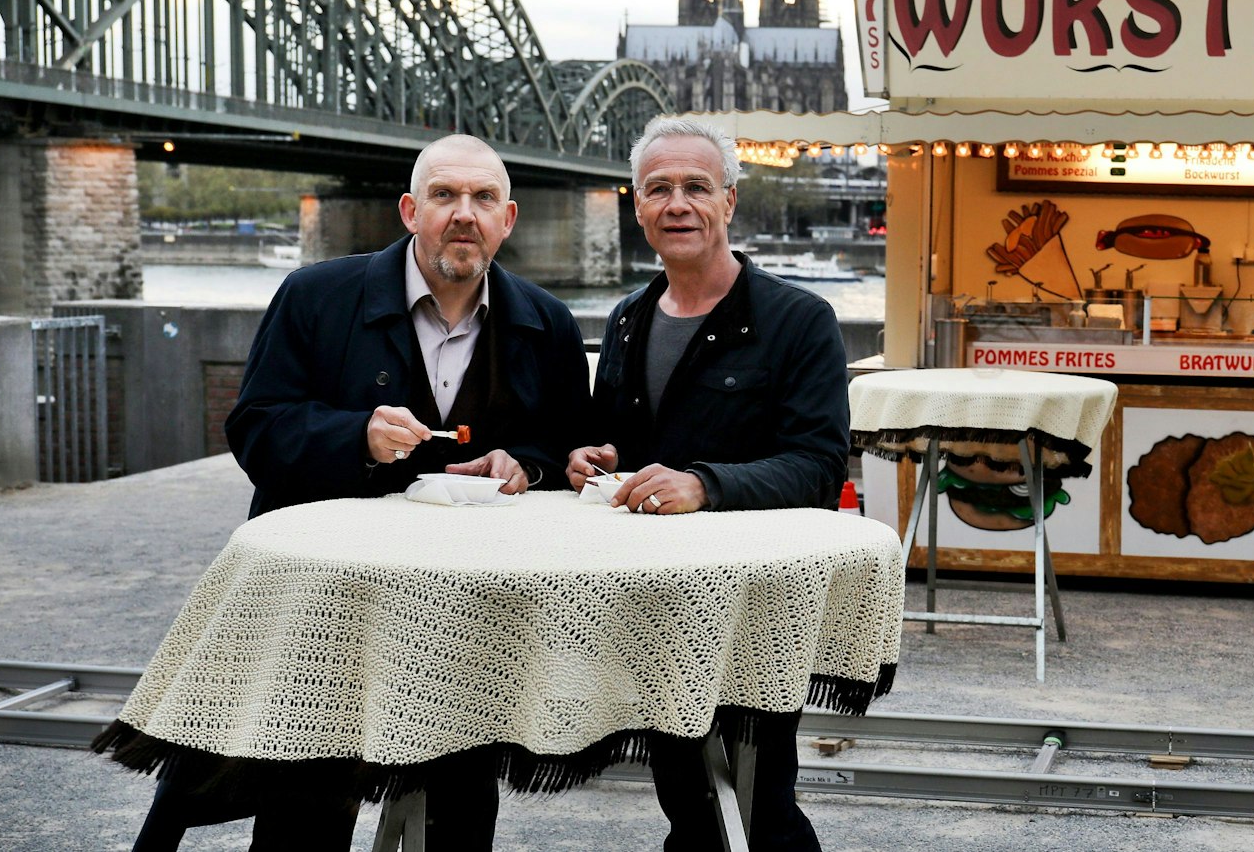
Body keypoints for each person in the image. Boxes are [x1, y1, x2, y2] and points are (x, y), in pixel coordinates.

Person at [125, 134, 590, 852]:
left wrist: (525, 463)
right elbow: (256, 430)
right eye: (444, 196)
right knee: (306, 802)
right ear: (410, 210)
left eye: (482, 199)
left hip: (464, 616)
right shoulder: (314, 297)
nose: (463, 214)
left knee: (459, 805)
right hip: (324, 609)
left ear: (509, 218)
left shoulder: (548, 325)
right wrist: (357, 437)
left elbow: (559, 450)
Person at [566, 115, 848, 851]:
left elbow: (820, 466)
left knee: (761, 805)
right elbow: (619, 448)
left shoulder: (800, 321)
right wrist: (592, 459)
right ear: (638, 206)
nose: (677, 203)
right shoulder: (627, 319)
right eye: (658, 188)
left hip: (758, 604)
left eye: (696, 186)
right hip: (655, 601)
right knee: (687, 803)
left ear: (730, 199)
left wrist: (704, 483)